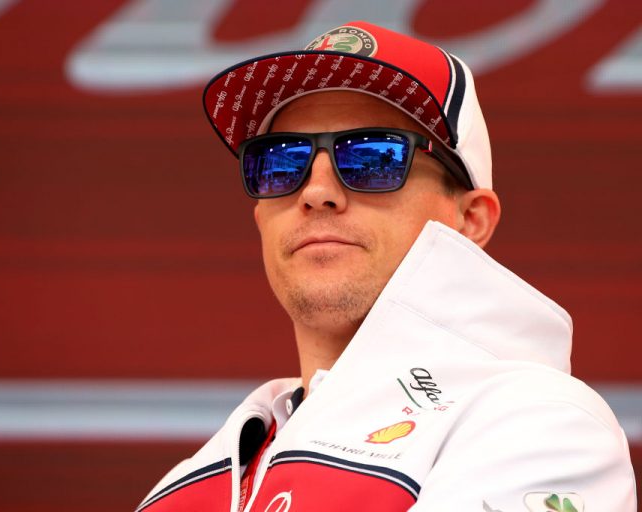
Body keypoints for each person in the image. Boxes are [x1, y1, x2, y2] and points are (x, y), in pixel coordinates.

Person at [136, 21, 636, 511]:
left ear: (471, 219)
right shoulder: (182, 484)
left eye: (372, 157)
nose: (316, 191)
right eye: (281, 162)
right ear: (260, 217)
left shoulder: (541, 422)